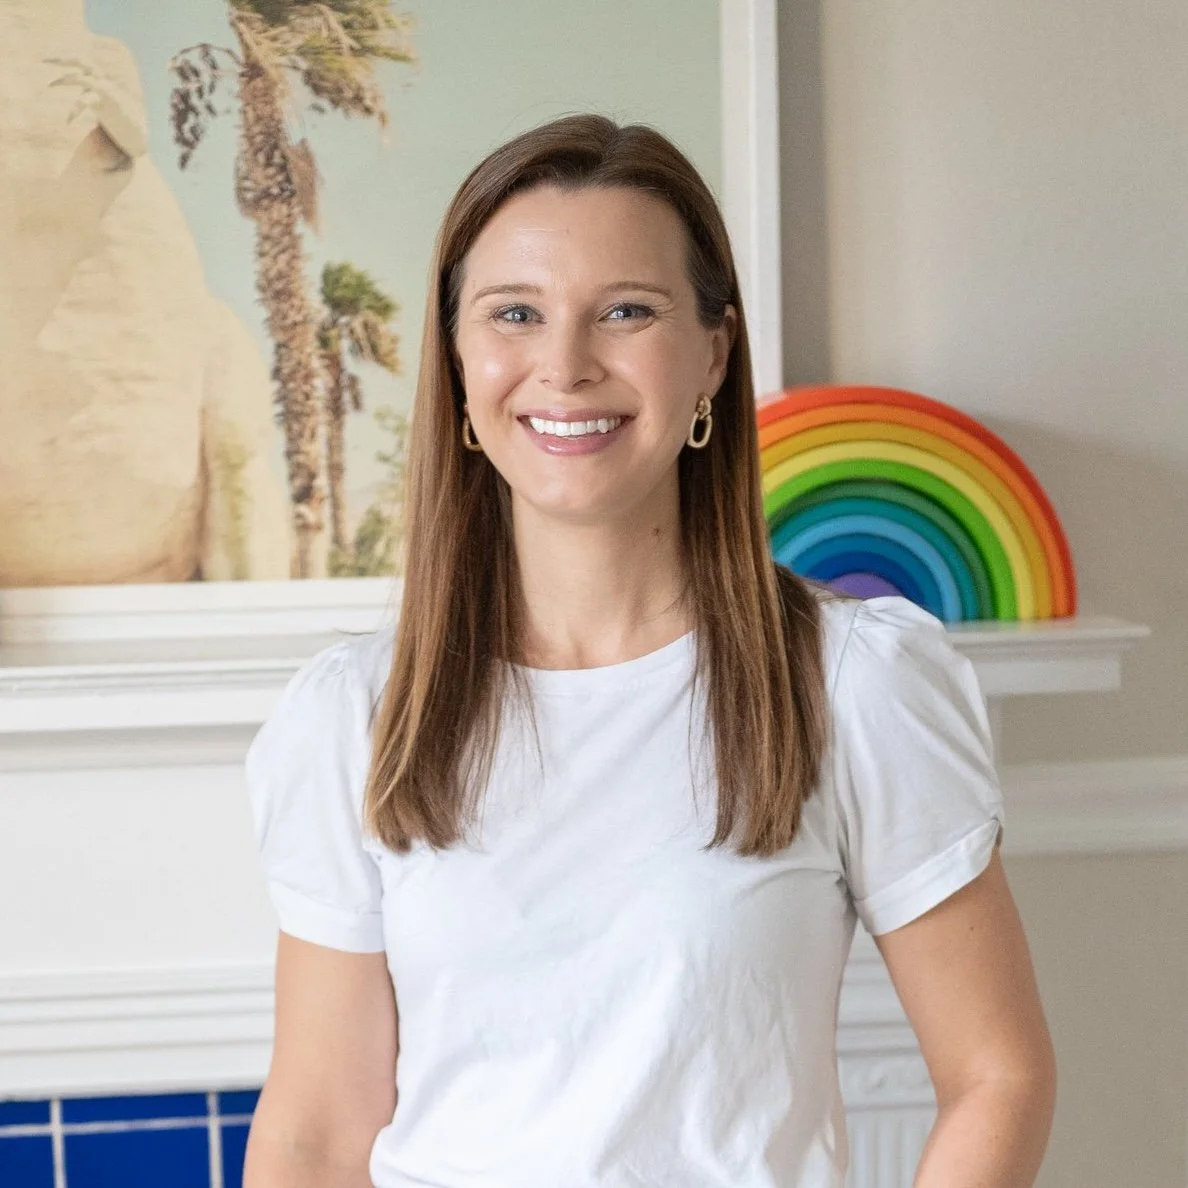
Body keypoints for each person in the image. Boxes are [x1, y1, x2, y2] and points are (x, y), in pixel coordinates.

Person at [241, 113, 1056, 1188]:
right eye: (514, 314)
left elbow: (999, 1074)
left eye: (625, 311)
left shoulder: (853, 684)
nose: (565, 366)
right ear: (458, 362)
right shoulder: (353, 713)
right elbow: (315, 1132)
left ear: (713, 351)